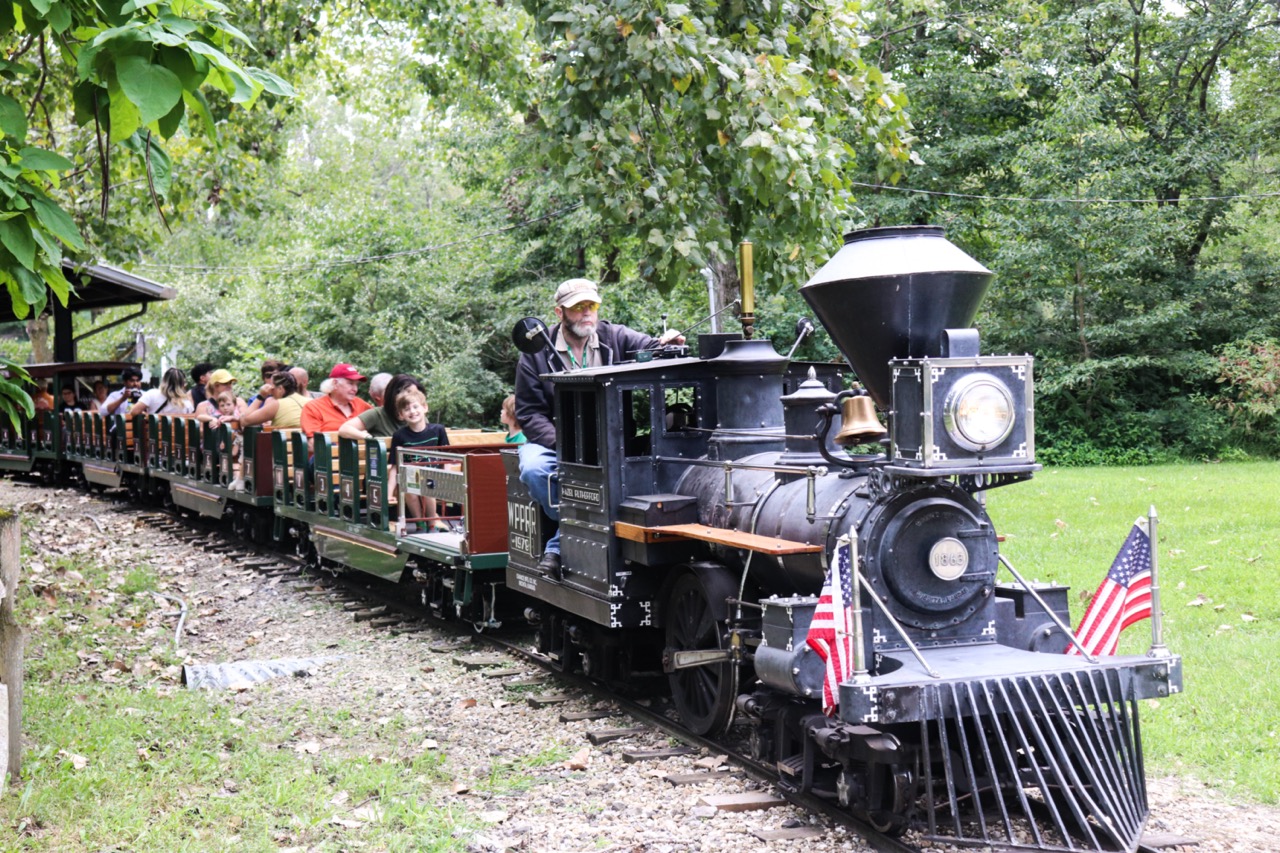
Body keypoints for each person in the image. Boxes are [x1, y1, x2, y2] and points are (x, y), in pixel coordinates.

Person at [514, 278, 683, 574]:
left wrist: (669, 341)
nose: (586, 313)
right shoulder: (535, 353)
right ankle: (583, 526)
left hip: (612, 442)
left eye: (591, 305)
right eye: (578, 307)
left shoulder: (615, 336)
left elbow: (651, 347)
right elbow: (529, 414)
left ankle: (558, 543)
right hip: (557, 444)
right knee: (532, 469)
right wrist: (566, 445)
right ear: (559, 312)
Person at [388, 386, 449, 533]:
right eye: (407, 409)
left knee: (428, 487)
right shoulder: (400, 436)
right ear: (401, 415)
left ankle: (432, 523)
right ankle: (419, 523)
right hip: (411, 475)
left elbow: (447, 457)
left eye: (415, 407)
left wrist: (447, 479)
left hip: (432, 475)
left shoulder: (437, 430)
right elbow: (395, 466)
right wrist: (389, 493)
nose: (412, 411)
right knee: (410, 490)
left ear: (424, 408)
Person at [338, 373, 423, 441]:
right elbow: (344, 429)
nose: (411, 398)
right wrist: (369, 438)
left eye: (415, 394)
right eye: (408, 393)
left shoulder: (417, 414)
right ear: (394, 394)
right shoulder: (378, 414)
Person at [299, 364, 372, 437]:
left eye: (356, 384)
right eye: (350, 383)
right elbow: (313, 444)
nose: (355, 389)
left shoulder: (361, 404)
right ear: (335, 383)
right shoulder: (313, 408)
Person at [239, 371, 310, 430]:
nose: (270, 392)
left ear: (280, 389)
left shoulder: (277, 404)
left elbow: (244, 421)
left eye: (272, 388)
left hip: (284, 446)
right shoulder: (309, 401)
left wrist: (261, 396)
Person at [126, 367, 193, 416]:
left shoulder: (152, 394)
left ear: (164, 380)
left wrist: (146, 415)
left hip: (154, 434)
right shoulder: (186, 402)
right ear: (182, 384)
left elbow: (133, 412)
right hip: (180, 435)